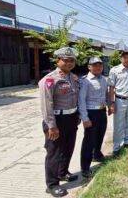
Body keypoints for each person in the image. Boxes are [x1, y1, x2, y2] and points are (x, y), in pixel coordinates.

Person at [39, 47, 79, 197]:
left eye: (71, 61)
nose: (69, 63)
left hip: (71, 118)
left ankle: (62, 172)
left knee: (68, 148)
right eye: (65, 60)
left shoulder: (73, 78)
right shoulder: (49, 80)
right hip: (56, 120)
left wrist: (77, 115)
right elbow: (46, 105)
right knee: (54, 152)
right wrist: (52, 125)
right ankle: (51, 184)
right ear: (58, 60)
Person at [78, 57, 109, 178]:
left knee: (100, 135)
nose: (98, 67)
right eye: (94, 65)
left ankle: (97, 155)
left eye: (100, 65)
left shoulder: (103, 79)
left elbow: (106, 94)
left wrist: (109, 105)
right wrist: (85, 118)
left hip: (102, 111)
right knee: (89, 140)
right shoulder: (85, 81)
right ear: (89, 67)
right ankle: (85, 167)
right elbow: (81, 100)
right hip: (91, 113)